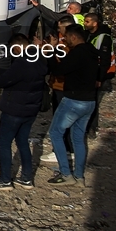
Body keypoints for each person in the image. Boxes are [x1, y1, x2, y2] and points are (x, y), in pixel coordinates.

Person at [0, 34, 49, 189]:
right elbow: (15, 74)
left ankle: (5, 179)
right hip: (31, 109)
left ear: (17, 47)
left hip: (14, 109)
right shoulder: (38, 59)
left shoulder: (21, 62)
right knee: (22, 142)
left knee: (4, 142)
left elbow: (5, 81)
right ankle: (26, 178)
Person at [46, 25, 107, 186]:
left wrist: (51, 51)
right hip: (90, 101)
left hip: (73, 101)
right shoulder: (92, 51)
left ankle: (66, 174)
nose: (64, 40)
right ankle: (79, 176)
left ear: (74, 37)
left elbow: (59, 69)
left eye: (66, 37)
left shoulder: (78, 53)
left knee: (55, 133)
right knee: (78, 139)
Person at [41, 16, 76, 163]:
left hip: (61, 86)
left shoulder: (66, 45)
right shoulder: (76, 43)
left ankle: (60, 151)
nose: (58, 31)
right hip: (67, 87)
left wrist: (51, 49)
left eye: (60, 28)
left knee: (60, 121)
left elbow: (56, 66)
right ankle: (70, 149)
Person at [84, 12, 116, 138]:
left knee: (93, 103)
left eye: (87, 22)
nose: (84, 24)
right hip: (90, 73)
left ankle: (92, 128)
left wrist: (99, 78)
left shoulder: (104, 38)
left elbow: (105, 61)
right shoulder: (87, 34)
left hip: (101, 75)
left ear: (95, 23)